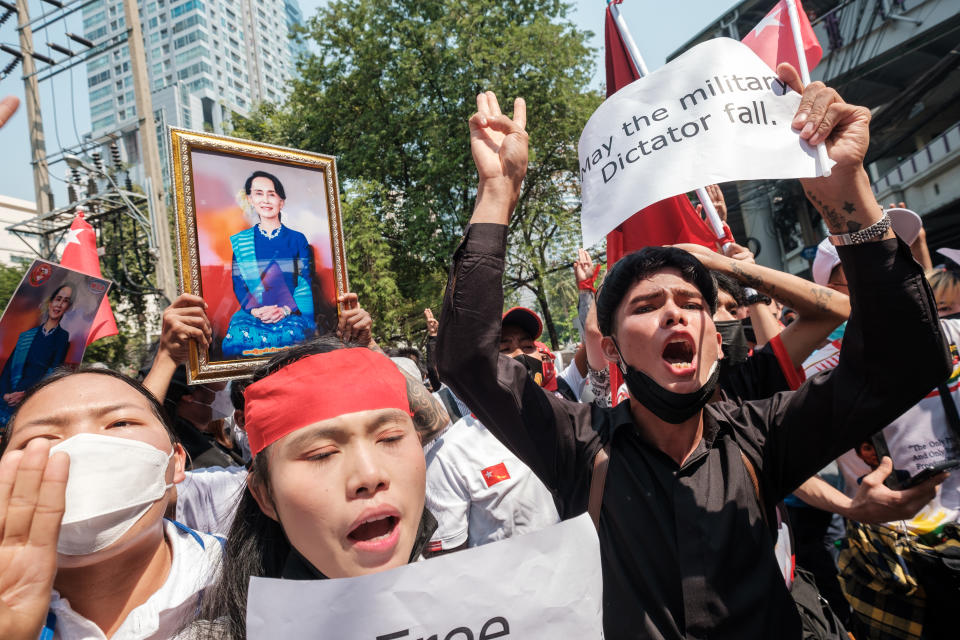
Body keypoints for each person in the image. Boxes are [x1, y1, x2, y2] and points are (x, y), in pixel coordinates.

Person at [437, 71, 950, 640]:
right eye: (647, 305)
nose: (675, 314)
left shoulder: (765, 435)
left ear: (714, 335)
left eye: (690, 303)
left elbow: (906, 359)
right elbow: (466, 359)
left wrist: (846, 195)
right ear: (611, 346)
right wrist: (497, 194)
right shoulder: (578, 446)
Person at [190, 337, 443, 639]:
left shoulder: (486, 607)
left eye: (389, 437)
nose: (370, 475)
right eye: (321, 453)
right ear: (264, 494)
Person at [0, 368, 222, 640]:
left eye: (120, 423)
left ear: (176, 461)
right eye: (42, 438)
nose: (83, 445)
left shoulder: (258, 573)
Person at [221, 171, 317, 358]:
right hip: (254, 313)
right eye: (258, 193)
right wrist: (256, 311)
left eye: (271, 194)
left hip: (291, 312)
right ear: (250, 199)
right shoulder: (242, 242)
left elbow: (305, 280)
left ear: (281, 202)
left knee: (295, 338)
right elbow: (238, 284)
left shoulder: (297, 239)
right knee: (238, 338)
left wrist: (285, 310)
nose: (265, 200)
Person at [0, 283, 74, 426]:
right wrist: (4, 394)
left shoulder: (63, 338)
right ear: (51, 302)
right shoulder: (26, 336)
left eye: (65, 301)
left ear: (68, 308)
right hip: (9, 396)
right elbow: (9, 369)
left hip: (34, 398)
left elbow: (53, 372)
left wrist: (27, 394)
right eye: (58, 299)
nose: (59, 304)